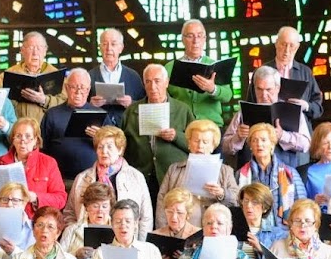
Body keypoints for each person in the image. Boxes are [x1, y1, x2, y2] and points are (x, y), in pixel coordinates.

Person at [121, 63, 194, 199]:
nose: (152, 87)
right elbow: (121, 144)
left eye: (157, 81)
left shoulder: (182, 110)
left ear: (166, 83)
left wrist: (176, 136)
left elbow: (197, 145)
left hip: (173, 177)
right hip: (140, 176)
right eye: (148, 82)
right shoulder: (131, 111)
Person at [64, 126, 152, 237]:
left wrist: (139, 245)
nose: (104, 152)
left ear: (120, 150)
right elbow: (69, 213)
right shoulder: (82, 178)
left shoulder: (136, 177)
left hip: (126, 243)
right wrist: (77, 237)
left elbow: (145, 217)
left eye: (109, 147)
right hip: (86, 243)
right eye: (100, 147)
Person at [221, 65, 311, 168]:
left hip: (284, 172)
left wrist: (282, 135)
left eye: (268, 90)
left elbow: (306, 145)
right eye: (259, 89)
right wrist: (238, 137)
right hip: (250, 174)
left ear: (277, 88)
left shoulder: (292, 111)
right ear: (254, 88)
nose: (264, 95)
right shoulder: (243, 113)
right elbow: (225, 147)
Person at [155, 119, 238, 229]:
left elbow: (237, 200)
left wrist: (221, 193)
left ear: (213, 146)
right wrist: (164, 229)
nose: (200, 146)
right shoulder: (175, 169)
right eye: (196, 140)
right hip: (180, 230)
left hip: (213, 231)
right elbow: (162, 201)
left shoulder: (225, 171)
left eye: (205, 142)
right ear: (189, 143)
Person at [0, 118, 67, 217]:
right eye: (18, 136)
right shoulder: (0, 162)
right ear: (13, 140)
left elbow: (61, 199)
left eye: (28, 136)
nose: (23, 141)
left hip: (36, 222)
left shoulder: (48, 163)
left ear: (36, 140)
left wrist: (36, 197)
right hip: (6, 218)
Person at [40, 69, 110, 181]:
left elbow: (114, 147)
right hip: (59, 179)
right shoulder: (52, 114)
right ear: (66, 88)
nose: (78, 92)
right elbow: (42, 149)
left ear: (88, 90)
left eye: (82, 87)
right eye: (74, 87)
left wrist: (101, 137)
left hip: (93, 178)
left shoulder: (101, 115)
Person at [247, 27, 324, 127]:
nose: (287, 50)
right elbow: (250, 105)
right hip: (268, 131)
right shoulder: (261, 71)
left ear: (297, 47)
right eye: (283, 44)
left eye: (291, 46)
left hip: (299, 134)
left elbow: (318, 108)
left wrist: (306, 106)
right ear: (276, 44)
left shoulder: (305, 72)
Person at [234, 123, 306, 227]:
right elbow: (237, 204)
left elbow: (301, 205)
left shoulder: (290, 173)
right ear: (250, 146)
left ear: (272, 144)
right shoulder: (241, 174)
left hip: (284, 231)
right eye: (254, 140)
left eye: (263, 140)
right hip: (251, 231)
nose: (259, 144)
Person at [165, 19, 233, 128]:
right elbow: (162, 98)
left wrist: (212, 89)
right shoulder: (169, 67)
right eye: (190, 36)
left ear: (204, 39)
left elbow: (228, 96)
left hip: (211, 127)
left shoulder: (216, 65)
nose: (195, 41)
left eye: (200, 35)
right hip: (181, 127)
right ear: (183, 39)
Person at [0, 32, 65, 121]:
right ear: (22, 51)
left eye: (39, 48)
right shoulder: (5, 76)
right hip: (17, 130)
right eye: (31, 48)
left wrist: (44, 100)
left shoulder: (56, 75)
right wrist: (18, 98)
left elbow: (65, 103)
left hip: (46, 130)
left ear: (45, 51)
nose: (35, 53)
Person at [88, 28, 146, 127]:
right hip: (99, 131)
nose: (109, 48)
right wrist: (90, 105)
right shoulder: (89, 76)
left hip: (127, 131)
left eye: (113, 44)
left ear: (121, 48)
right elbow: (77, 105)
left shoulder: (133, 76)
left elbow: (145, 105)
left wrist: (131, 103)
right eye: (105, 44)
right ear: (100, 47)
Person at [300, 122, 331, 208]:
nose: (330, 147)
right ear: (317, 144)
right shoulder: (307, 172)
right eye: (325, 143)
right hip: (319, 217)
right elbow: (301, 204)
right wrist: (314, 202)